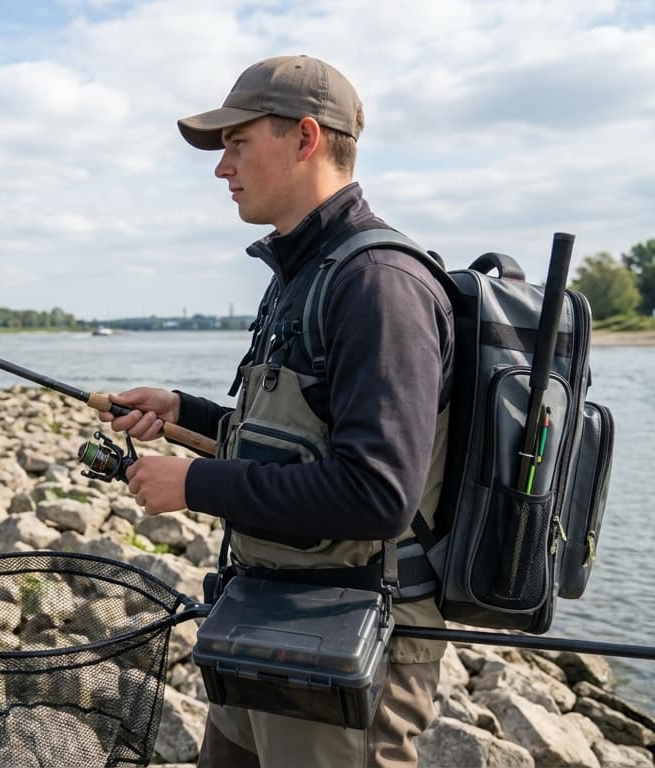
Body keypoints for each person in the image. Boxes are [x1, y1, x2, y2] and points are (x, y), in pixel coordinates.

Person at [98, 55, 453, 768]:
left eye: (237, 142)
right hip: (267, 621)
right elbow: (287, 440)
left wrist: (193, 486)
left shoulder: (378, 285)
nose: (221, 168)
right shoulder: (304, 273)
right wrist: (180, 411)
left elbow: (377, 493)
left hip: (351, 645)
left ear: (306, 138)